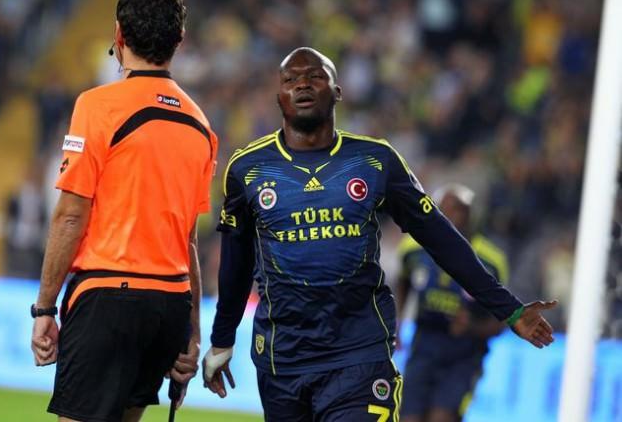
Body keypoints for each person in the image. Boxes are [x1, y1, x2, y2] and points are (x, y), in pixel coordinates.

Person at [202, 47, 556, 421]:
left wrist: (508, 308)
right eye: (290, 79)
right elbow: (236, 263)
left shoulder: (375, 161)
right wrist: (222, 339)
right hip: (282, 360)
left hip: (360, 356)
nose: (302, 84)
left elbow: (441, 239)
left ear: (337, 91)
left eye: (316, 76)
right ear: (279, 97)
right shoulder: (247, 169)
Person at [30, 0, 218, 421]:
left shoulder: (97, 106)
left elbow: (71, 214)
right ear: (179, 40)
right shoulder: (201, 125)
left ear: (118, 34)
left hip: (107, 298)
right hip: (169, 306)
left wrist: (45, 307)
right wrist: (192, 331)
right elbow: (188, 240)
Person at [396, 184, 509, 422]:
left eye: (459, 210)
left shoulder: (491, 261)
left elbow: (503, 321)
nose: (450, 217)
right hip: (424, 342)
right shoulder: (413, 248)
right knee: (409, 417)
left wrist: (472, 328)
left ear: (472, 216)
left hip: (464, 352)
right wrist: (396, 322)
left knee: (441, 417)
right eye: (444, 209)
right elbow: (403, 282)